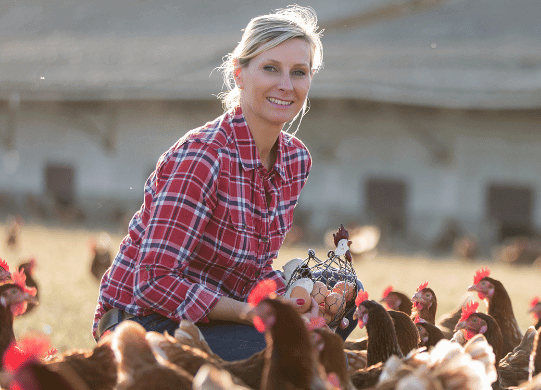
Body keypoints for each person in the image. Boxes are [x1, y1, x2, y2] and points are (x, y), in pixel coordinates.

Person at [92, 5, 359, 360]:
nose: (286, 85)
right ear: (239, 74)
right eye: (270, 69)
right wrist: (250, 314)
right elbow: (153, 283)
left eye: (299, 72)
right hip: (142, 321)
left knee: (341, 309)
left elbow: (252, 271)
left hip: (216, 318)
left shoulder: (295, 160)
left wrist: (303, 295)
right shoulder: (203, 157)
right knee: (285, 355)